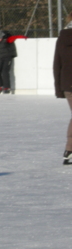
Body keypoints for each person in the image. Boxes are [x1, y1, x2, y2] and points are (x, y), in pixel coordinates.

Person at [53, 13, 72, 165]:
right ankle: (70, 150)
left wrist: (59, 88)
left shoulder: (63, 37)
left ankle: (69, 151)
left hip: (68, 84)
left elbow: (57, 64)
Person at [0, 30, 26, 94]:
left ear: (2, 36)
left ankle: (7, 87)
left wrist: (23, 37)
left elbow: (15, 37)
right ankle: (0, 86)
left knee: (5, 72)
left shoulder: (8, 39)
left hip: (8, 58)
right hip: (1, 58)